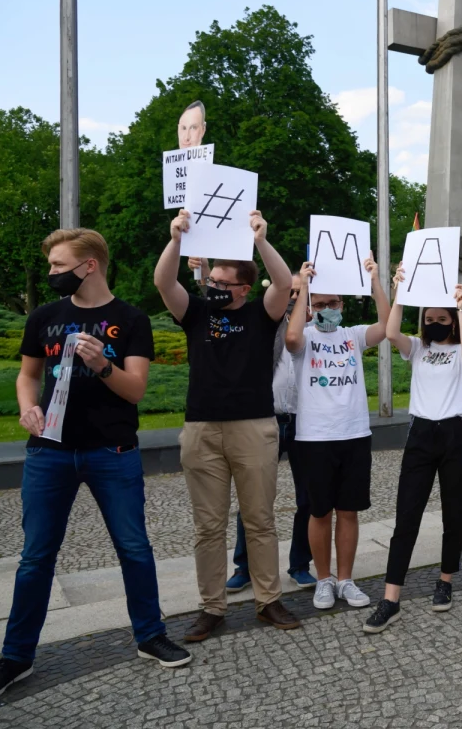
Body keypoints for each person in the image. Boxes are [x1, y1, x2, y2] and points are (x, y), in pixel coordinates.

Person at [0, 229, 191, 700]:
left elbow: (136, 390)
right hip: (49, 453)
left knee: (134, 548)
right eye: (50, 266)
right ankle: (16, 657)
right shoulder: (44, 317)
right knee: (36, 557)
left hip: (112, 452)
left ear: (90, 266)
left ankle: (150, 635)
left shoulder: (130, 319)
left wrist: (103, 364)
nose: (52, 274)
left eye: (59, 265)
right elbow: (28, 375)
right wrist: (27, 408)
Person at [154, 209, 301, 641]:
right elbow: (165, 283)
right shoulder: (197, 313)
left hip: (254, 427)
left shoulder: (261, 313)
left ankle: (268, 600)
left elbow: (282, 282)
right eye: (212, 281)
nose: (214, 287)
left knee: (260, 520)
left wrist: (260, 239)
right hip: (202, 428)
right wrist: (176, 239)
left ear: (243, 287)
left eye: (222, 283)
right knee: (208, 525)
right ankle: (211, 607)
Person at [185, 258, 317, 595]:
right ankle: (244, 567)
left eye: (299, 292)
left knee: (306, 499)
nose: (292, 296)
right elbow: (220, 306)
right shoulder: (266, 319)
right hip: (268, 416)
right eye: (290, 291)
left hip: (305, 421)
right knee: (252, 503)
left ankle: (300, 564)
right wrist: (199, 273)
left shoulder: (318, 329)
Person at [365, 270, 462, 631]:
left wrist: (461, 310)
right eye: (429, 319)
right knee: (406, 517)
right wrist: (399, 292)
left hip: (454, 434)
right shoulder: (418, 348)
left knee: (453, 513)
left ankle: (445, 581)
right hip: (421, 434)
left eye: (440, 320)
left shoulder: (461, 349)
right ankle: (390, 598)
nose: (434, 324)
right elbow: (392, 333)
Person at [285, 258, 389, 610]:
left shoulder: (353, 335)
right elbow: (292, 337)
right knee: (320, 512)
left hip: (354, 434)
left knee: (348, 511)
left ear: (343, 305)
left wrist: (375, 281)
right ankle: (324, 580)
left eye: (333, 303)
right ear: (312, 306)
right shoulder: (306, 338)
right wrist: (303, 290)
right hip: (314, 437)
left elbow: (388, 325)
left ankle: (345, 580)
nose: (327, 309)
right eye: (321, 304)